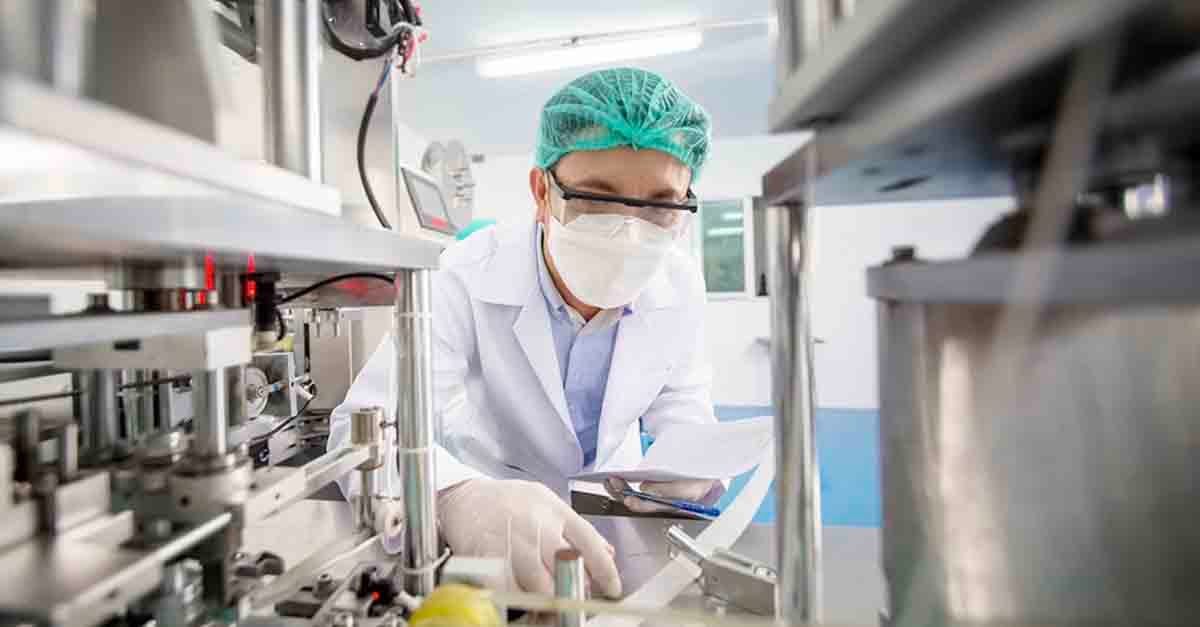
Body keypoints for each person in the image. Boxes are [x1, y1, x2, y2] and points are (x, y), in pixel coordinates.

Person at [328, 67, 721, 599]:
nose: (630, 232)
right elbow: (363, 430)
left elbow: (682, 402)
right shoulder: (464, 274)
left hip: (616, 525)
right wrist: (454, 496)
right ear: (542, 192)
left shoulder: (679, 282)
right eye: (597, 198)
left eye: (660, 205)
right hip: (489, 530)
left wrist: (688, 463)